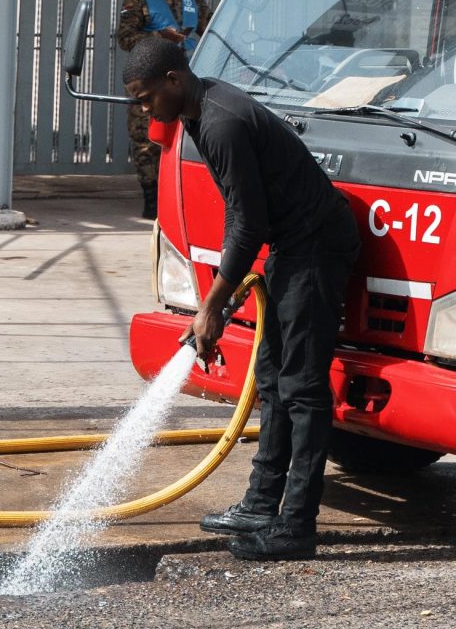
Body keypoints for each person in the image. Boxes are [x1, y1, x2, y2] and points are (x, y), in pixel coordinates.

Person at [121, 37, 356, 561]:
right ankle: (259, 504)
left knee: (302, 387)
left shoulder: (220, 122)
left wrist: (211, 308)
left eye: (146, 97)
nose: (144, 109)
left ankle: (296, 526)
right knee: (271, 378)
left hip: (314, 246)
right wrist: (215, 303)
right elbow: (241, 211)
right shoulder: (199, 112)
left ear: (174, 81)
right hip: (290, 246)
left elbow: (248, 226)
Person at [115, 0, 211, 218]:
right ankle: (151, 200)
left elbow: (210, 23)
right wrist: (159, 37)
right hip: (152, 82)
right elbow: (124, 38)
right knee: (147, 141)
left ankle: (184, 196)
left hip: (185, 79)